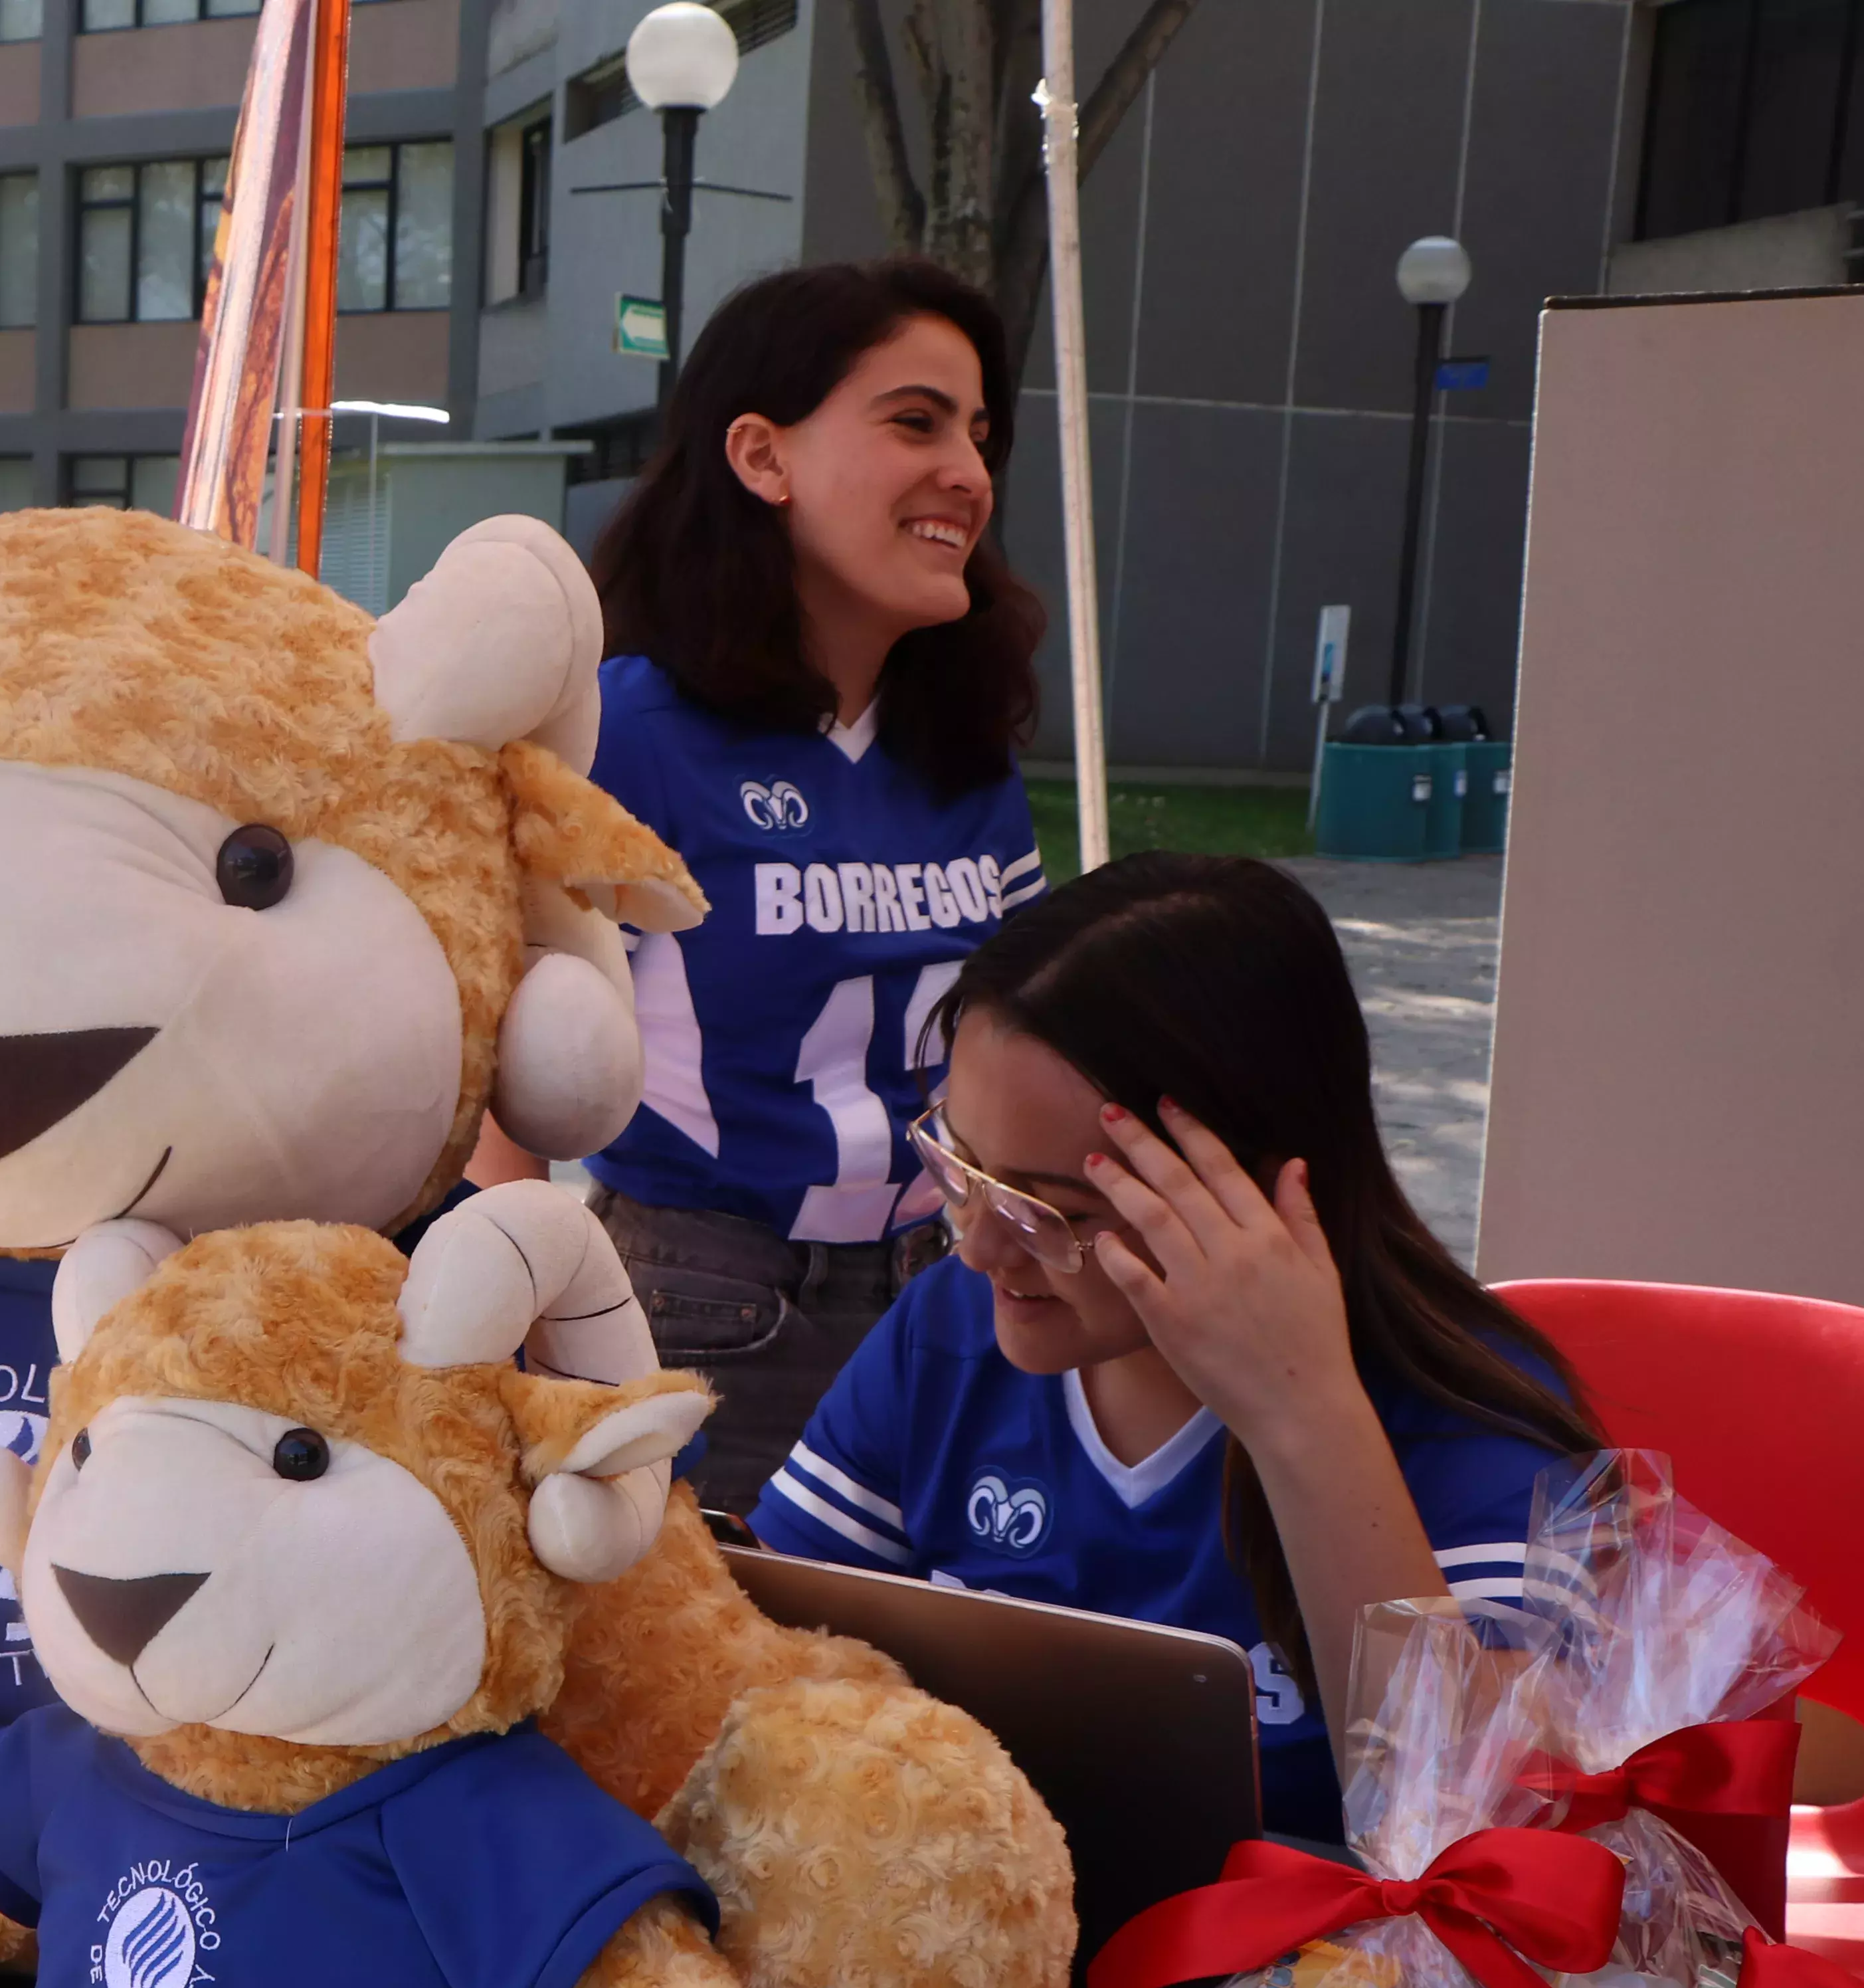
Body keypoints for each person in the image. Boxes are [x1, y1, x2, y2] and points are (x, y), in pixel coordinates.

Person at [749, 854, 1606, 1842]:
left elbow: (1489, 1821)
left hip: (1326, 1985)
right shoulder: (948, 1335)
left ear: (1258, 1188)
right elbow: (760, 1652)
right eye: (960, 1167)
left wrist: (1304, 1418)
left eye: (1045, 1209)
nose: (979, 1246)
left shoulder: (1454, 1414)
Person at [528, 258, 1051, 1514]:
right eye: (916, 421)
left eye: (981, 435)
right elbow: (507, 1080)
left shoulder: (967, 746)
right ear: (763, 457)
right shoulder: (626, 732)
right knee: (717, 1693)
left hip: (956, 1299)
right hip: (694, 1307)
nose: (970, 475)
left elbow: (1030, 1045)